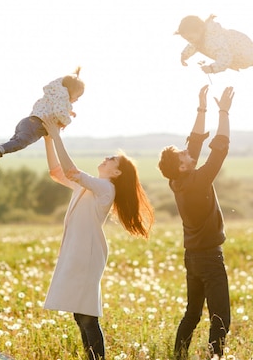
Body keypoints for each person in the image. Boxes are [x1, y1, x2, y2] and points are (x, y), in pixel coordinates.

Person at [41, 118, 155, 360]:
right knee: (79, 314)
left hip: (87, 255)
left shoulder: (105, 189)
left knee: (86, 316)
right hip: (78, 254)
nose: (107, 157)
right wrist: (48, 139)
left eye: (112, 159)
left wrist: (57, 135)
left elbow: (72, 171)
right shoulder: (90, 186)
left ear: (117, 173)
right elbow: (57, 171)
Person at [158, 85, 234, 360]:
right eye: (185, 157)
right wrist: (223, 112)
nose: (190, 155)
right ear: (182, 166)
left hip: (192, 257)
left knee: (192, 314)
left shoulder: (177, 181)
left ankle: (178, 356)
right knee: (220, 318)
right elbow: (220, 147)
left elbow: (196, 142)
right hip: (210, 259)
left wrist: (201, 108)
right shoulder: (198, 181)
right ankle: (215, 358)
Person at [0, 67, 85, 171]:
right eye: (77, 96)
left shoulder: (53, 95)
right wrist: (67, 121)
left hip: (27, 122)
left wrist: (69, 111)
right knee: (20, 143)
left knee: (14, 143)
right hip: (35, 126)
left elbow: (56, 107)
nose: (77, 100)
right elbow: (60, 111)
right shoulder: (62, 99)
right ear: (70, 92)